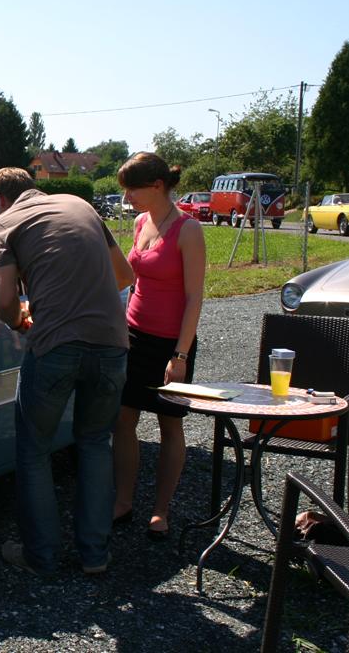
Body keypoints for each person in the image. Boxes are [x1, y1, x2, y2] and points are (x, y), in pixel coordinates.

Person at [0, 167, 133, 577]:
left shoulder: (5, 222)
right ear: (35, 187)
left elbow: (0, 299)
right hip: (111, 342)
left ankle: (42, 556)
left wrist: (20, 320)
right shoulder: (80, 205)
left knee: (34, 450)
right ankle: (94, 555)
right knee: (94, 443)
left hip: (55, 346)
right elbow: (125, 275)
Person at [111, 152, 206, 540]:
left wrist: (180, 355)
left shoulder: (188, 229)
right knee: (123, 420)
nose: (127, 196)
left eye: (131, 188)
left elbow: (195, 297)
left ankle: (161, 510)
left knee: (169, 425)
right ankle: (123, 500)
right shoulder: (138, 222)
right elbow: (133, 279)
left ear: (156, 185)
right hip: (135, 336)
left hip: (171, 343)